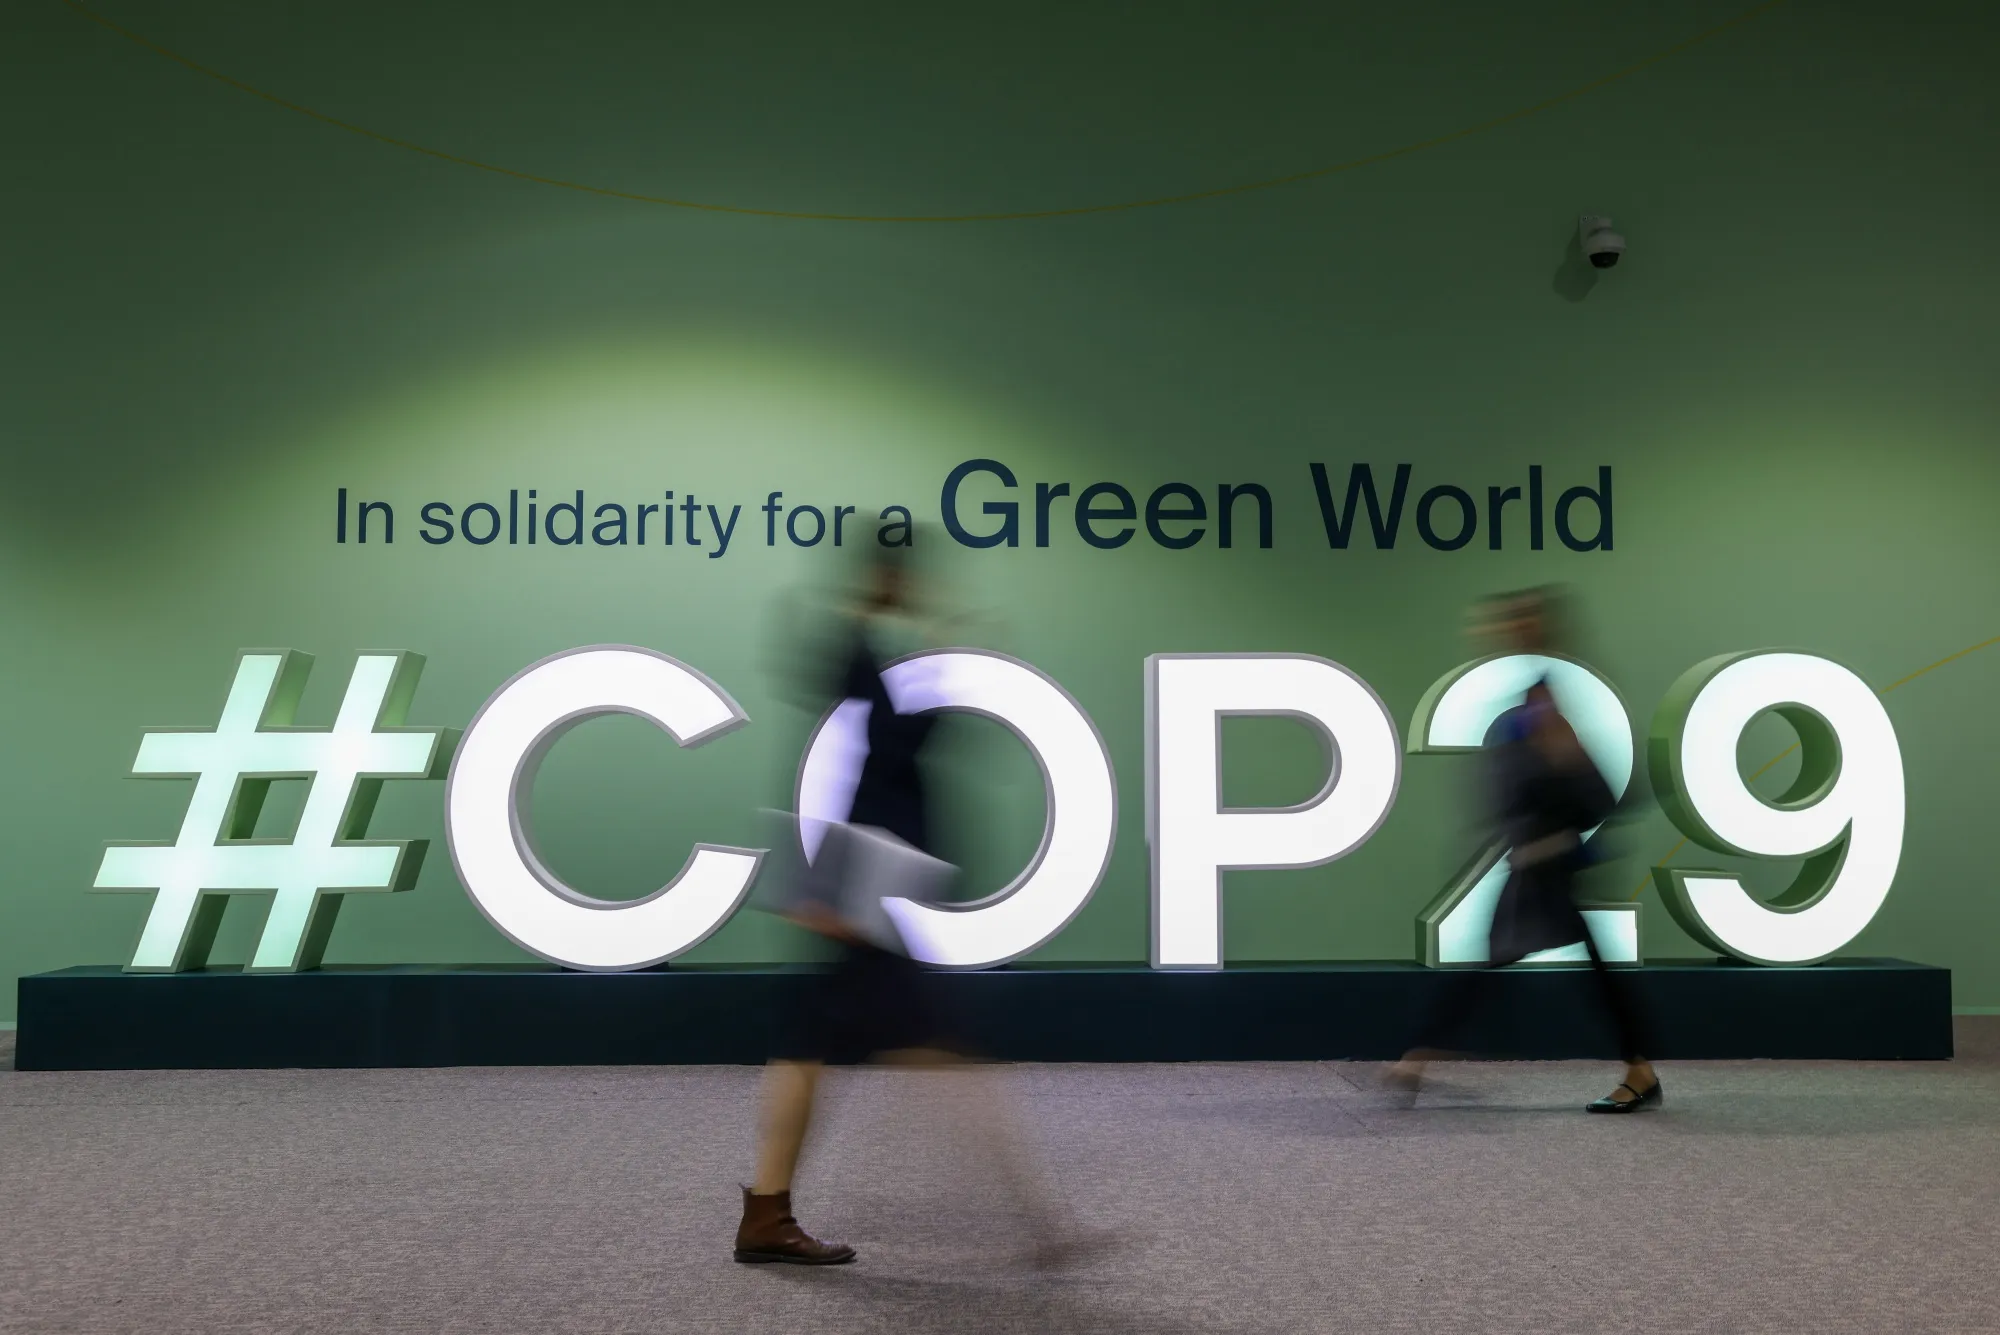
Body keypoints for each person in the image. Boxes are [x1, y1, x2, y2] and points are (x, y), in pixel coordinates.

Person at [733, 542, 1080, 1266]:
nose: (911, 588)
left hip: (859, 877)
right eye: (900, 577)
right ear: (882, 579)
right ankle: (1040, 1224)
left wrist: (939, 642)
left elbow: (894, 746)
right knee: (938, 1048)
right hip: (855, 880)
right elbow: (854, 710)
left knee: (818, 1044)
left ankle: (767, 1213)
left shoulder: (877, 661)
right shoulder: (854, 651)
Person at [1387, 586, 1662, 1113]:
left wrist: (1552, 827)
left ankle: (1415, 1058)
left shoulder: (1547, 701)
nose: (1504, 632)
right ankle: (1639, 1068)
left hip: (1549, 867)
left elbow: (1600, 795)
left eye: (1518, 622)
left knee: (1499, 968)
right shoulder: (1531, 700)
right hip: (1537, 866)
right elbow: (1515, 788)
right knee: (1568, 972)